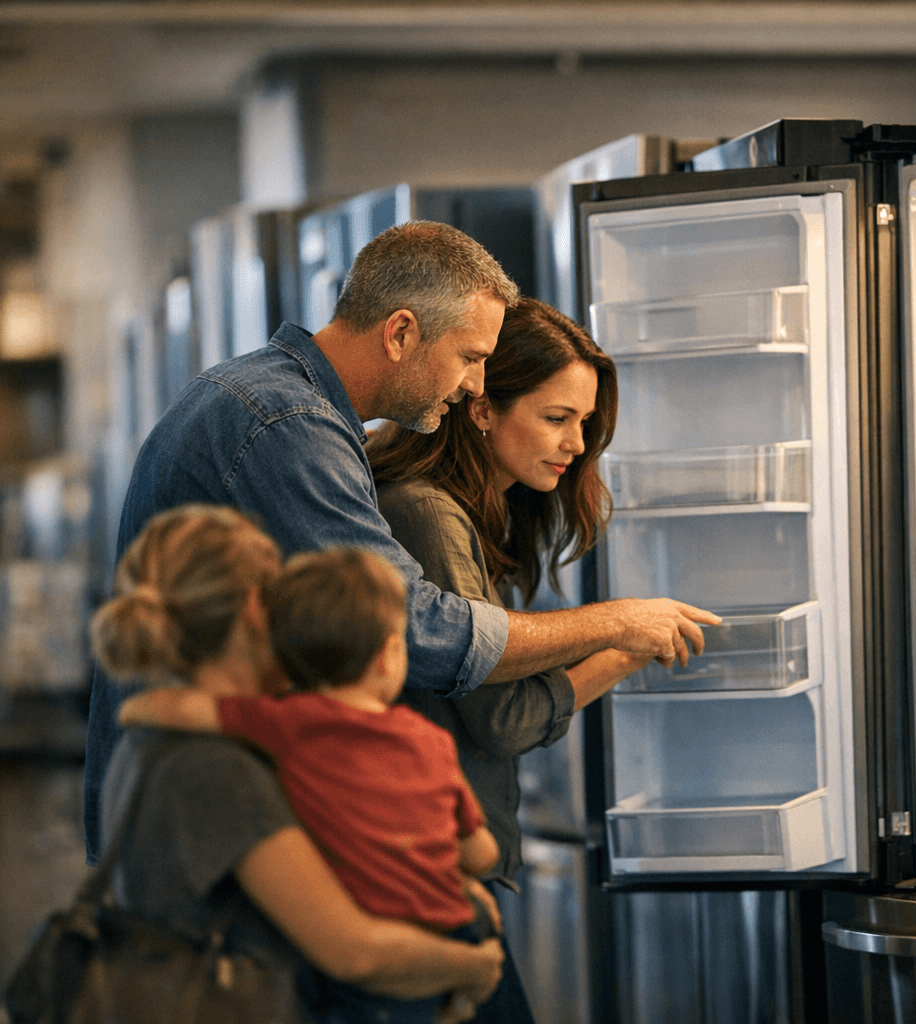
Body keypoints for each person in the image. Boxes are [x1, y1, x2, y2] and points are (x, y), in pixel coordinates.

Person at [83, 220, 720, 864]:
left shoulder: (268, 397)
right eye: (471, 357)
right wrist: (617, 625)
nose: (476, 383)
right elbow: (416, 630)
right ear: (401, 334)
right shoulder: (291, 426)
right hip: (203, 825)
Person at [90, 505, 504, 1023]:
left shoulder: (166, 734)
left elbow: (327, 867)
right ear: (255, 612)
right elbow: (354, 949)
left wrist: (447, 884)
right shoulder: (216, 767)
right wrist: (472, 964)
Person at [364, 298, 647, 1024]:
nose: (577, 444)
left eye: (583, 423)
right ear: (482, 409)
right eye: (556, 418)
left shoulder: (474, 514)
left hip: (438, 868)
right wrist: (622, 646)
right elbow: (501, 717)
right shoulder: (427, 513)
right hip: (421, 873)